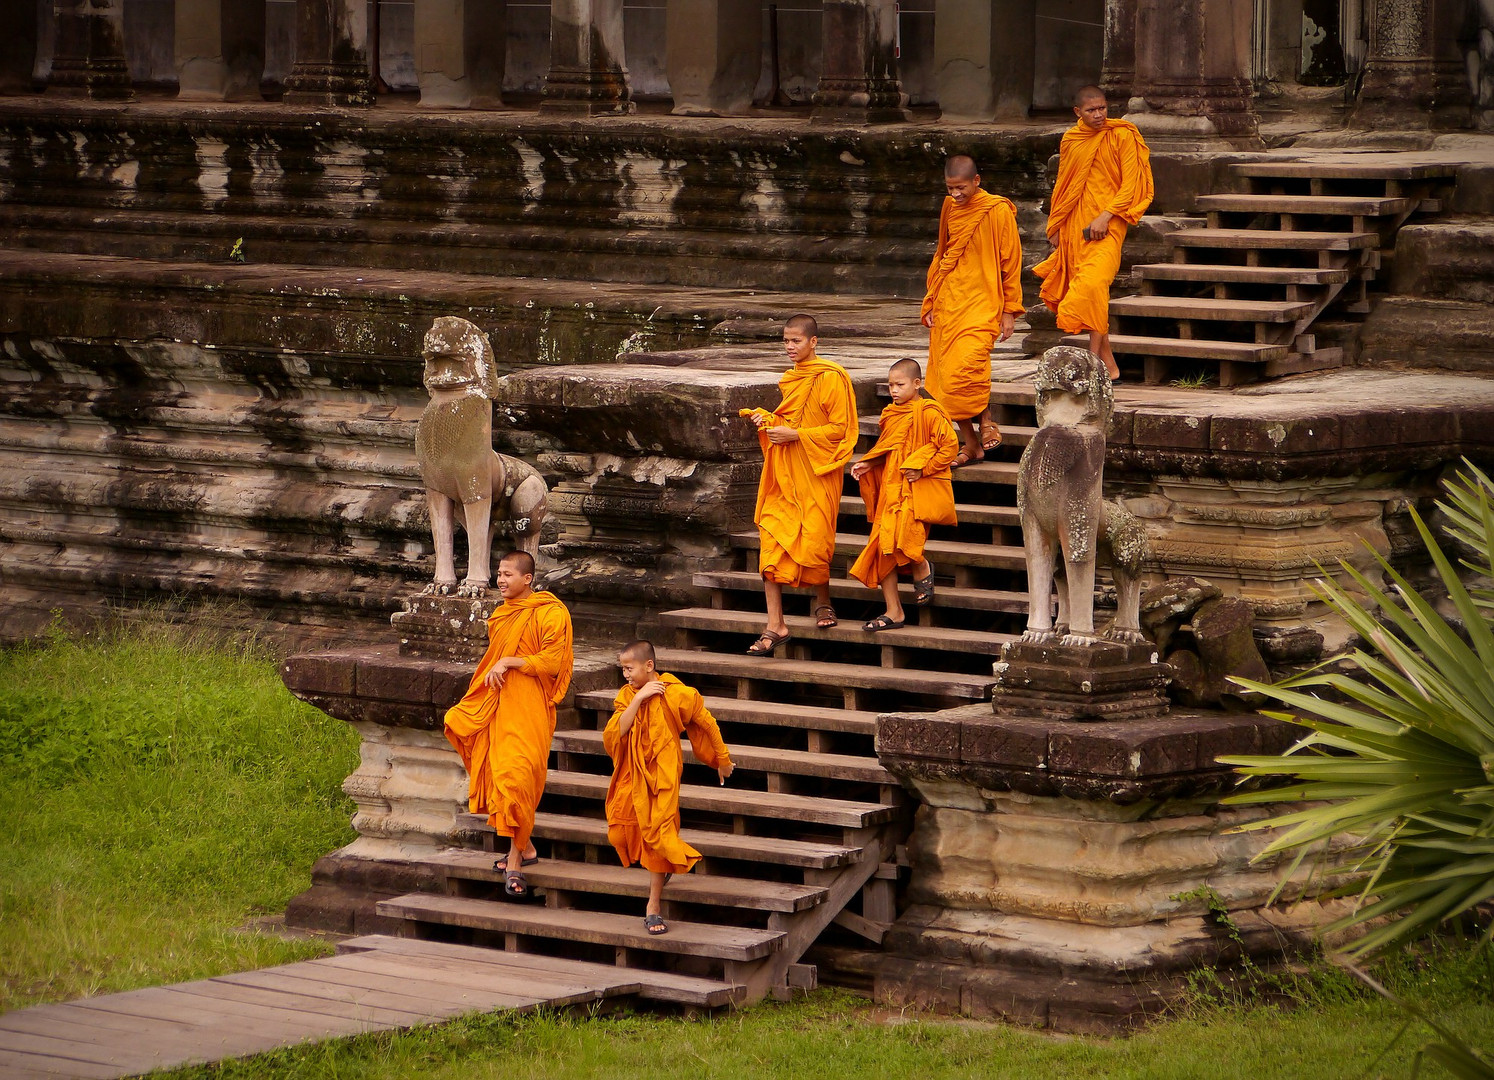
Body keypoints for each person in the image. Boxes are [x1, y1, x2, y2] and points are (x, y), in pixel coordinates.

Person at [443, 550, 573, 899]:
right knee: (502, 777)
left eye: (507, 575)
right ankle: (525, 849)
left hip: (530, 706)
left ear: (527, 579)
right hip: (500, 704)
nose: (500, 580)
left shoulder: (550, 612)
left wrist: (511, 662)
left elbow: (552, 660)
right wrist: (498, 669)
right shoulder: (502, 615)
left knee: (518, 780)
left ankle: (515, 863)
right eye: (498, 574)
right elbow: (492, 662)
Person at [740, 313, 859, 655]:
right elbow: (791, 419)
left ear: (813, 342)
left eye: (796, 341)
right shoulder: (791, 379)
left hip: (818, 471)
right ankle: (775, 624)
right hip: (785, 474)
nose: (790, 347)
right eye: (786, 341)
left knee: (815, 541)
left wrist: (795, 434)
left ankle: (823, 601)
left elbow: (841, 430)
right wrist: (771, 420)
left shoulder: (831, 378)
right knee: (772, 541)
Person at [603, 640, 734, 936]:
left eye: (629, 668)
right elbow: (614, 734)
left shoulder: (677, 694)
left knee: (659, 834)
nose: (625, 675)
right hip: (633, 773)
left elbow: (706, 722)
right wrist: (639, 699)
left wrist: (722, 760)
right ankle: (663, 872)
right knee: (619, 830)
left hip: (663, 774)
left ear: (649, 666)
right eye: (622, 669)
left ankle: (653, 906)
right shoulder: (627, 696)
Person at [1033, 84, 1155, 382]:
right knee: (1095, 295)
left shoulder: (1123, 135)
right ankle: (1108, 366)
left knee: (1092, 285)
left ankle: (1091, 358)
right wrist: (1056, 225)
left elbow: (1132, 184)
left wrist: (1106, 215)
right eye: (1091, 110)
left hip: (1110, 222)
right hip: (1076, 225)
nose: (1099, 115)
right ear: (1078, 112)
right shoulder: (1072, 139)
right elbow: (1064, 186)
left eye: (1102, 108)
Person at [921, 154, 1025, 468]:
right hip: (951, 300)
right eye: (950, 187)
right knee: (943, 379)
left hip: (984, 301)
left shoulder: (997, 209)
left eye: (961, 187)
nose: (956, 194)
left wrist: (1009, 309)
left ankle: (987, 416)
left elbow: (1011, 260)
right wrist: (931, 298)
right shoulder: (949, 207)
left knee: (965, 370)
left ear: (976, 181)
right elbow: (943, 252)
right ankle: (971, 442)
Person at [848, 359, 958, 630]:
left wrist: (924, 469)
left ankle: (921, 566)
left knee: (905, 543)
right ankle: (893, 610)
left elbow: (949, 447)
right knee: (884, 546)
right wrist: (869, 463)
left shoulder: (930, 412)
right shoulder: (890, 414)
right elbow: (889, 447)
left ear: (917, 384)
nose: (893, 390)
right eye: (890, 385)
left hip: (914, 491)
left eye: (900, 385)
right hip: (890, 487)